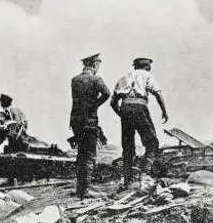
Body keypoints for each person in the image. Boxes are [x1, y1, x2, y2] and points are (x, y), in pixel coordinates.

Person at [110, 57, 169, 188]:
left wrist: (122, 114)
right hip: (140, 108)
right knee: (152, 142)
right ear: (147, 67)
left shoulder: (124, 77)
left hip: (125, 108)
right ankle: (145, 173)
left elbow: (113, 102)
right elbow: (157, 94)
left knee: (127, 146)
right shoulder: (147, 75)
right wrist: (164, 111)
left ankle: (127, 181)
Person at [70, 53, 111, 198]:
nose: (99, 67)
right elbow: (107, 93)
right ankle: (85, 191)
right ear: (94, 64)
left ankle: (79, 189)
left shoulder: (75, 80)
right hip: (89, 122)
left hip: (76, 122)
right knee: (89, 156)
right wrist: (95, 106)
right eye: (98, 64)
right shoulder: (96, 79)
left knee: (81, 154)